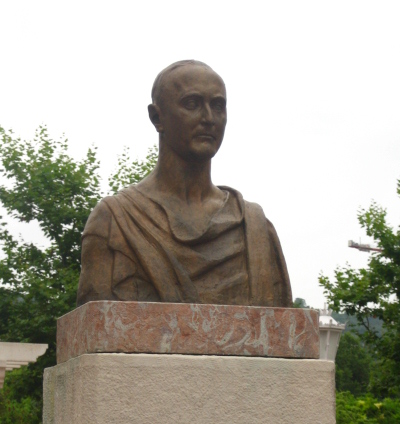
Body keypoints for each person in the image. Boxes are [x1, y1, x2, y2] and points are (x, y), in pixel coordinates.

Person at [77, 60, 292, 308]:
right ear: (157, 117)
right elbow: (96, 321)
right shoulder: (113, 221)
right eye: (192, 104)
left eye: (218, 106)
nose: (209, 118)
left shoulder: (255, 229)